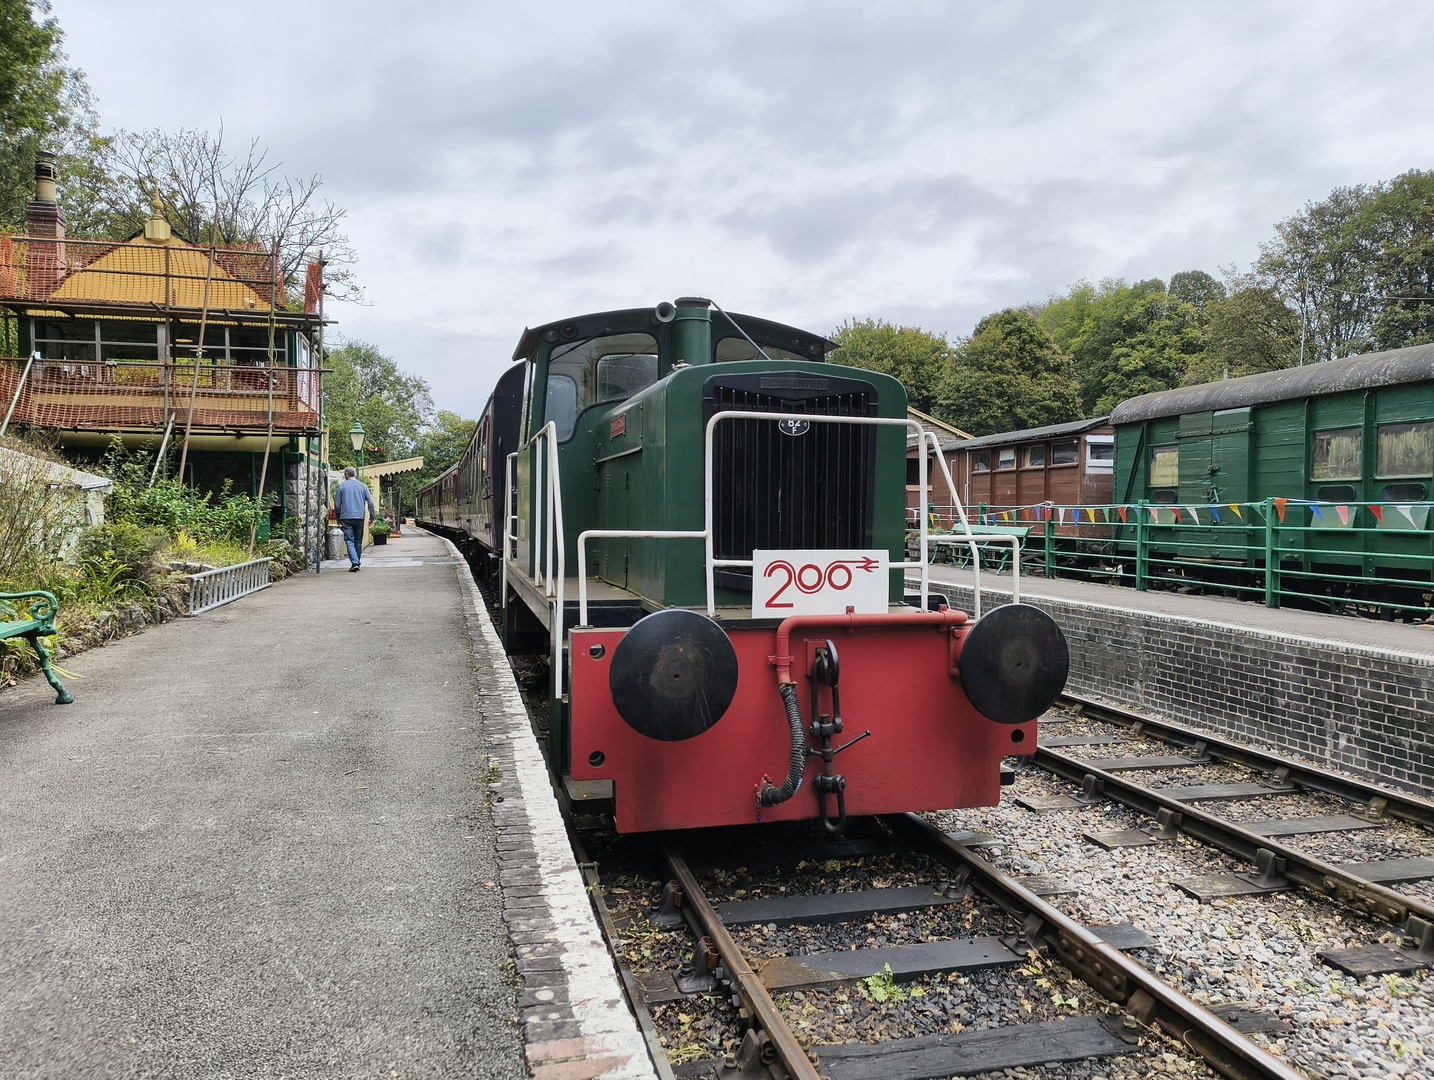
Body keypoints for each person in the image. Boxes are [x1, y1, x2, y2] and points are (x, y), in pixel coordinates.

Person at [334, 466, 376, 572]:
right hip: (359, 517)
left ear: (345, 475)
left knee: (349, 540)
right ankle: (357, 562)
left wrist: (338, 519)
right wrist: (372, 518)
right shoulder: (363, 486)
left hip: (346, 517)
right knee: (358, 541)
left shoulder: (342, 487)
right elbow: (371, 503)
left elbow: (337, 505)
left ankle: (355, 562)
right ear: (355, 474)